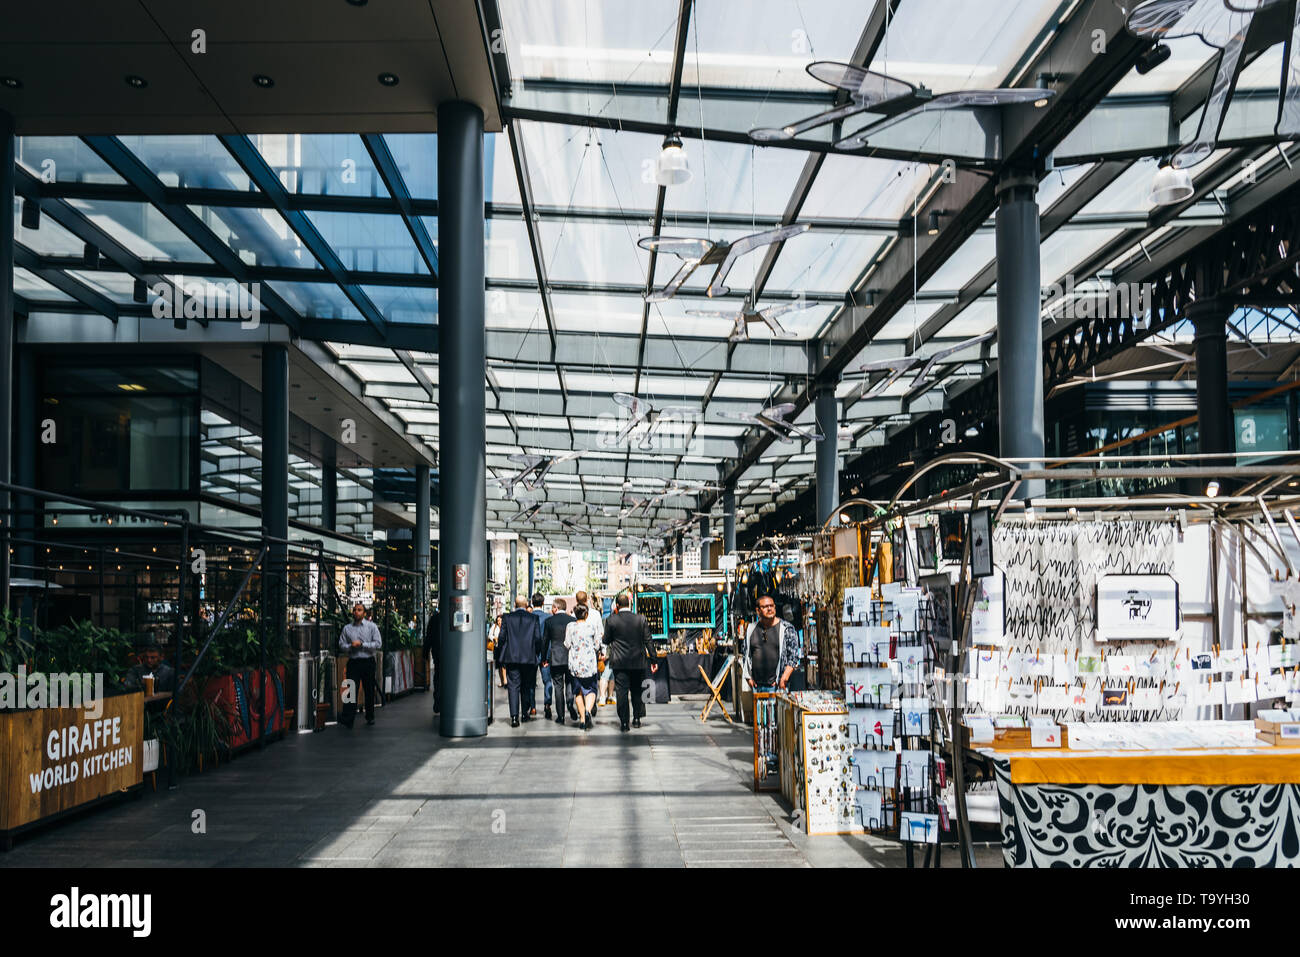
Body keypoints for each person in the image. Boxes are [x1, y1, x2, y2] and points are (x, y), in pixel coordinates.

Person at [602, 591, 659, 732]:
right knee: (637, 691)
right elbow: (648, 641)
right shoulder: (641, 619)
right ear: (629, 604)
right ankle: (637, 719)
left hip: (619, 662)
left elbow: (606, 640)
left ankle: (624, 723)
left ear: (617, 605)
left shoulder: (611, 620)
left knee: (621, 692)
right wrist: (654, 660)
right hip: (638, 662)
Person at [741, 594, 802, 691]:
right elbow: (745, 654)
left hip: (777, 686)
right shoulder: (751, 629)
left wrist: (784, 678)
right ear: (758, 610)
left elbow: (794, 656)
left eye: (771, 605)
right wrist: (748, 678)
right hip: (756, 686)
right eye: (765, 607)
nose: (769, 609)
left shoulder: (786, 629)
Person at [498, 595, 542, 727]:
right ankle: (525, 713)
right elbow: (538, 638)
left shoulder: (507, 617)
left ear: (515, 605)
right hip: (528, 657)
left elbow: (501, 637)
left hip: (512, 657)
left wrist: (502, 651)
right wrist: (536, 653)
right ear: (526, 604)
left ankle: (514, 717)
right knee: (526, 686)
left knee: (513, 686)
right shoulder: (534, 618)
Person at [339, 602, 383, 728]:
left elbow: (378, 643)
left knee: (369, 689)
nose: (356, 612)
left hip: (368, 661)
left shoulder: (371, 627)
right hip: (353, 661)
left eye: (359, 610)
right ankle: (348, 718)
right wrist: (350, 647)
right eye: (354, 610)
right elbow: (341, 645)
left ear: (364, 613)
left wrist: (363, 645)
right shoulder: (347, 628)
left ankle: (370, 716)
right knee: (351, 689)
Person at [564, 604, 602, 730]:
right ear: (586, 614)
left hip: (575, 664)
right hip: (589, 664)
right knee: (591, 690)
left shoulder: (570, 627)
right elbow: (597, 645)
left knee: (578, 691)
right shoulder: (591, 627)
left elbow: (567, 644)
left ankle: (582, 719)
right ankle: (588, 711)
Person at [542, 598, 577, 724]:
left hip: (556, 657)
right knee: (569, 682)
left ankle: (561, 716)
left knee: (558, 686)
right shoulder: (573, 620)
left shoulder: (549, 621)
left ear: (556, 608)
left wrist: (544, 659)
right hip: (570, 657)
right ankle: (569, 702)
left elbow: (545, 641)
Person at [530, 593, 551, 718]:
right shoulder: (548, 617)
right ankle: (547, 704)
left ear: (532, 603)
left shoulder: (529, 617)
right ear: (543, 603)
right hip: (545, 655)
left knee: (531, 682)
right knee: (547, 681)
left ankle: (532, 707)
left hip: (531, 654)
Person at [423, 603, 441, 714]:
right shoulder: (451, 617)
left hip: (438, 653)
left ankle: (438, 702)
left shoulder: (434, 619)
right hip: (445, 654)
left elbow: (429, 636)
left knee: (438, 677)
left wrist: (425, 652)